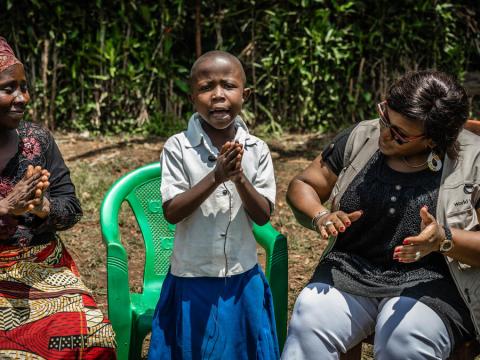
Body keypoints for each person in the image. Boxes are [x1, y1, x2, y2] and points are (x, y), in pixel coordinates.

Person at [282, 70, 480, 359]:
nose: (384, 134)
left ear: (433, 140)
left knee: (404, 337)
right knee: (309, 317)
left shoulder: (474, 160)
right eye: (385, 117)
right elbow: (304, 184)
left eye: (400, 134)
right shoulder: (363, 135)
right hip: (351, 269)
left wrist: (443, 239)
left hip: (436, 282)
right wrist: (321, 215)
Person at [148, 50, 279, 359]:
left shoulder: (258, 149)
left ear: (245, 94)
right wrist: (216, 176)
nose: (218, 95)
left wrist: (239, 178)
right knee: (193, 349)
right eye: (206, 87)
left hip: (242, 278)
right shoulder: (177, 147)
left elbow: (262, 216)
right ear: (192, 97)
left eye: (228, 86)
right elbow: (172, 211)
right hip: (192, 279)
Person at [0, 36, 116, 358]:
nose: (22, 98)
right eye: (8, 88)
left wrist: (43, 208)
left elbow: (72, 208)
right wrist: (5, 206)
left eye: (23, 87)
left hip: (42, 266)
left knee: (90, 337)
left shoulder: (37, 140)